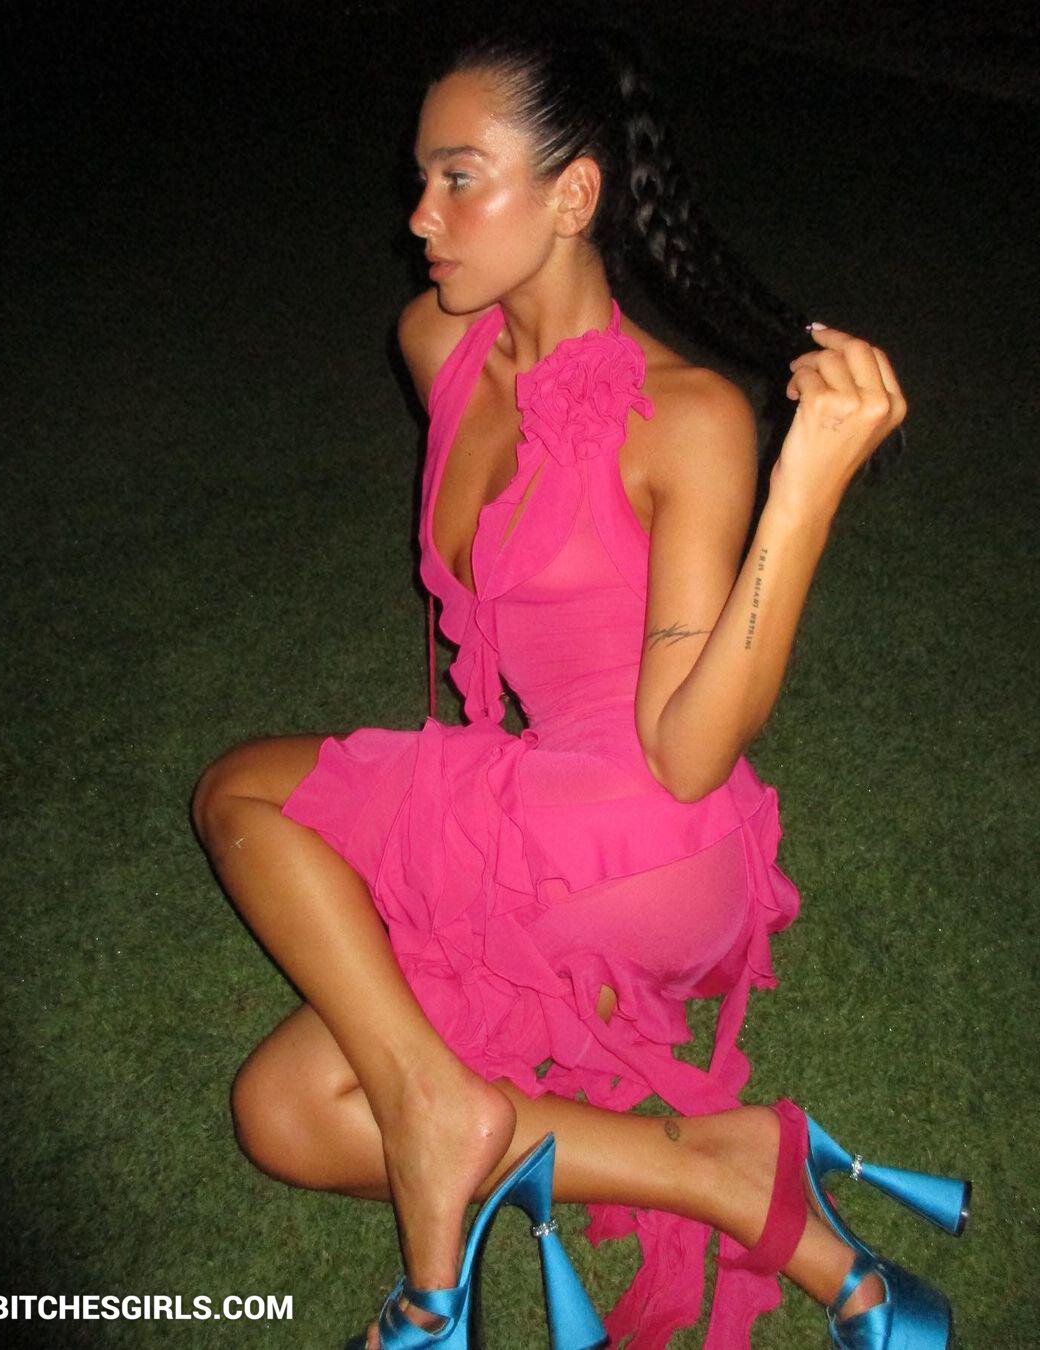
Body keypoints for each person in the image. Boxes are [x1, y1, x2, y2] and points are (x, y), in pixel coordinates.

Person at [191, 20, 968, 1350]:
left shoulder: (691, 415)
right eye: (422, 179)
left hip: (645, 839)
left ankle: (453, 1112)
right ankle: (719, 1172)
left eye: (458, 179)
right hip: (540, 807)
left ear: (574, 196)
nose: (419, 218)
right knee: (286, 1113)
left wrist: (802, 492)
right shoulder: (437, 344)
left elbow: (687, 757)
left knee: (241, 793)